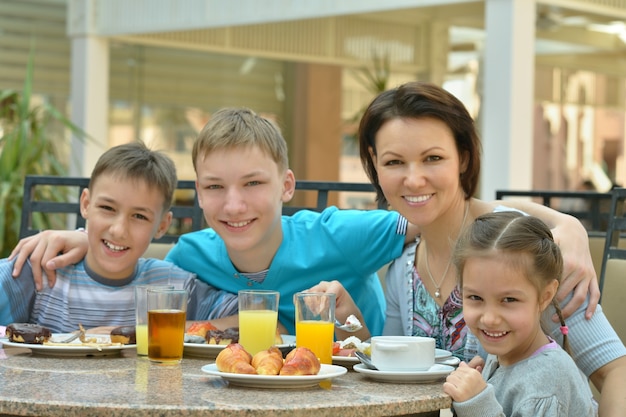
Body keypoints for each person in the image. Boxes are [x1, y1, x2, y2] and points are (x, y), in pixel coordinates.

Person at [9, 107, 598, 338]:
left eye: (254, 185)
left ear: (287, 187)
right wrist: (84, 235)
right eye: (215, 188)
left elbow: (441, 207)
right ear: (197, 197)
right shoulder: (189, 257)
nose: (233, 205)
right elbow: (133, 248)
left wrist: (563, 223)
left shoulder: (345, 235)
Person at [308, 81, 625, 416]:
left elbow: (615, 370)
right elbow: (397, 377)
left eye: (432, 158)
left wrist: (567, 224)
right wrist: (350, 323)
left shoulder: (516, 248)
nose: (413, 179)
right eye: (394, 162)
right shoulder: (404, 266)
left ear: (463, 157)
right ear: (375, 163)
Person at [0, 141, 238, 332]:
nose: (118, 230)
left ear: (162, 226)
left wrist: (148, 330)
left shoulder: (172, 289)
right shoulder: (40, 268)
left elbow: (258, 324)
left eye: (139, 216)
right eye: (107, 209)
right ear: (86, 204)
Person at [443, 211, 596, 416]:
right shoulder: (503, 356)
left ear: (545, 295)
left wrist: (477, 403)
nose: (489, 318)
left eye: (509, 300)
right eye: (475, 298)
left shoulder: (547, 384)